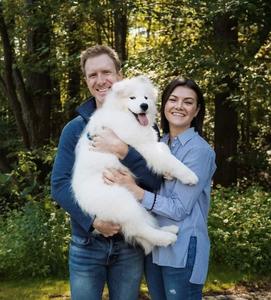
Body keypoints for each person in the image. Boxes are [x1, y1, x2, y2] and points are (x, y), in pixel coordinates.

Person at [51, 45, 161, 300]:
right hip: (86, 245)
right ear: (86, 80)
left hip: (129, 246)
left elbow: (154, 181)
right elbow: (59, 185)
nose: (100, 81)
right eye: (92, 75)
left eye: (106, 72)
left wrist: (124, 151)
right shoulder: (74, 129)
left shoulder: (141, 123)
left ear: (119, 76)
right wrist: (93, 223)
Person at [103, 78, 216, 300]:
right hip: (155, 249)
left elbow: (179, 209)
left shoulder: (200, 152)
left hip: (182, 249)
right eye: (173, 99)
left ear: (197, 110)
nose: (179, 106)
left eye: (188, 102)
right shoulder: (158, 143)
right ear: (163, 105)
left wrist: (136, 191)